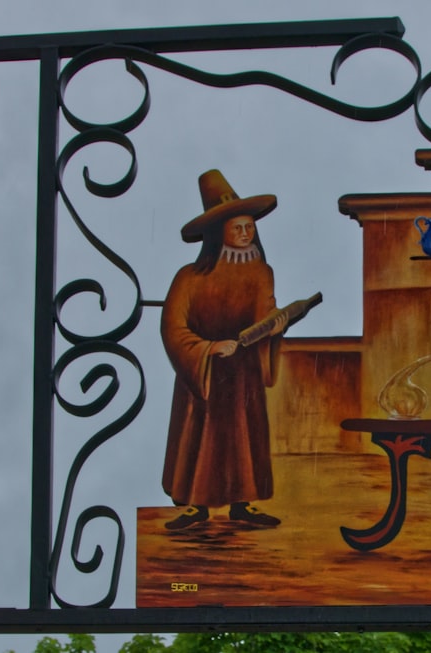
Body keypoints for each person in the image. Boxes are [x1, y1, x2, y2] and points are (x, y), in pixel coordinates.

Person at [160, 169, 288, 530]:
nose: (246, 234)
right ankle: (194, 507)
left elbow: (265, 313)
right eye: (238, 228)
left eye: (250, 227)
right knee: (200, 438)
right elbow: (173, 327)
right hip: (204, 372)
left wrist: (275, 325)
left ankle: (242, 504)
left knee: (243, 437)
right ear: (220, 233)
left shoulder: (262, 271)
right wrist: (209, 348)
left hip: (243, 371)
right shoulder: (189, 277)